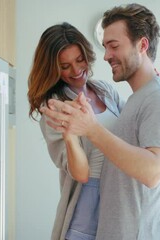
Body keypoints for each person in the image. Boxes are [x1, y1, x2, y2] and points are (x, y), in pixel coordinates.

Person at [41, 4, 160, 240]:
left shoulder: (156, 99)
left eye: (113, 46)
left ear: (142, 45)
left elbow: (153, 172)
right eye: (105, 47)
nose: (105, 56)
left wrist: (91, 129)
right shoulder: (137, 99)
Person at [27, 22, 124, 240]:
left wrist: (150, 86)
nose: (77, 70)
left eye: (79, 59)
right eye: (65, 65)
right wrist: (70, 135)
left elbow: (134, 124)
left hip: (118, 195)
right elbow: (80, 174)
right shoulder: (55, 107)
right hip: (89, 201)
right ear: (53, 69)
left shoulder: (104, 90)